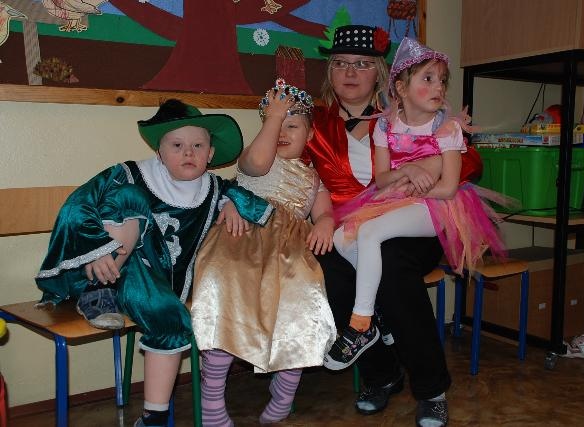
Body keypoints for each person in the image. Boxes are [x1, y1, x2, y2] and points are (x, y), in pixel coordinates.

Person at [35, 99, 274, 427]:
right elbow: (78, 205)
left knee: (171, 316)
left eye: (197, 146)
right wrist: (98, 248)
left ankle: (154, 418)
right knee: (128, 196)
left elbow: (258, 206)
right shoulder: (130, 174)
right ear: (159, 153)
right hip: (108, 267)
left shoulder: (215, 189)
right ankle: (97, 291)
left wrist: (231, 202)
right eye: (176, 145)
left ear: (210, 154)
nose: (188, 152)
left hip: (157, 286)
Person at [306, 25, 481, 427]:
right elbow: (293, 173)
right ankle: (381, 373)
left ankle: (431, 389)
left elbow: (470, 160)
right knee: (328, 264)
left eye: (362, 64)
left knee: (392, 266)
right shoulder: (315, 124)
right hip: (353, 222)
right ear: (330, 72)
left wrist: (427, 164)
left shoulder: (406, 112)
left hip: (417, 218)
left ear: (382, 74)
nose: (351, 72)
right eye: (341, 64)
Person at [323, 36, 508, 370]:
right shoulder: (373, 125)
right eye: (341, 63)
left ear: (379, 74)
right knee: (341, 238)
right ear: (401, 87)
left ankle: (362, 324)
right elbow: (382, 178)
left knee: (376, 241)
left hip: (434, 207)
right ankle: (380, 322)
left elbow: (453, 182)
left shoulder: (444, 128)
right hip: (392, 201)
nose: (439, 88)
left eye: (442, 81)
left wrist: (423, 174)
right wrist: (406, 172)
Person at [191, 79, 337, 426]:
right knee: (227, 288)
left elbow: (325, 212)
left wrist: (325, 223)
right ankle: (212, 397)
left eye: (292, 125)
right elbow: (257, 163)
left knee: (302, 298)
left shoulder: (314, 178)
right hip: (241, 237)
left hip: (288, 252)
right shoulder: (255, 159)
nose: (281, 131)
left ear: (310, 135)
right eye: (274, 124)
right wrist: (274, 117)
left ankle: (285, 391)